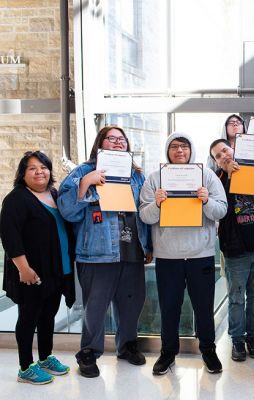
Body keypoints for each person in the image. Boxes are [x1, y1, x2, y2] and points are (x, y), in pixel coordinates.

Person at [58, 126, 152, 378]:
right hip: (96, 253)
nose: (118, 142)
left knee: (131, 303)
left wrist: (149, 246)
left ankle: (127, 346)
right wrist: (86, 183)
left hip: (131, 250)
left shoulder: (137, 176)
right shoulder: (82, 171)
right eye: (112, 138)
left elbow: (145, 213)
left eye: (122, 139)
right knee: (95, 307)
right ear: (100, 143)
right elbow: (68, 211)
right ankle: (88, 352)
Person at [139, 132, 227, 375]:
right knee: (169, 307)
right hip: (168, 256)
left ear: (191, 151)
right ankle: (168, 353)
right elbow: (144, 216)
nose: (180, 151)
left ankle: (208, 351)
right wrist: (156, 204)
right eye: (175, 147)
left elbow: (221, 211)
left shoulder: (207, 176)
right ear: (167, 150)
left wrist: (206, 200)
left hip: (201, 255)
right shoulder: (155, 178)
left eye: (184, 147)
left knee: (203, 307)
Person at [0, 151, 75, 385]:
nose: (39, 171)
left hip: (57, 269)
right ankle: (25, 367)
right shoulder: (16, 199)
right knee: (28, 317)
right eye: (32, 168)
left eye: (43, 167)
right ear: (23, 174)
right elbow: (10, 238)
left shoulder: (54, 194)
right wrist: (24, 268)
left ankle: (45, 358)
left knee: (48, 315)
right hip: (31, 271)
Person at [209, 138, 254, 362]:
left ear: (234, 149)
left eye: (225, 150)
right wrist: (229, 177)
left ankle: (253, 337)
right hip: (236, 250)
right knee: (236, 298)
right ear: (217, 162)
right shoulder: (217, 181)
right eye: (218, 155)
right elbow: (219, 210)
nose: (224, 156)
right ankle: (237, 339)